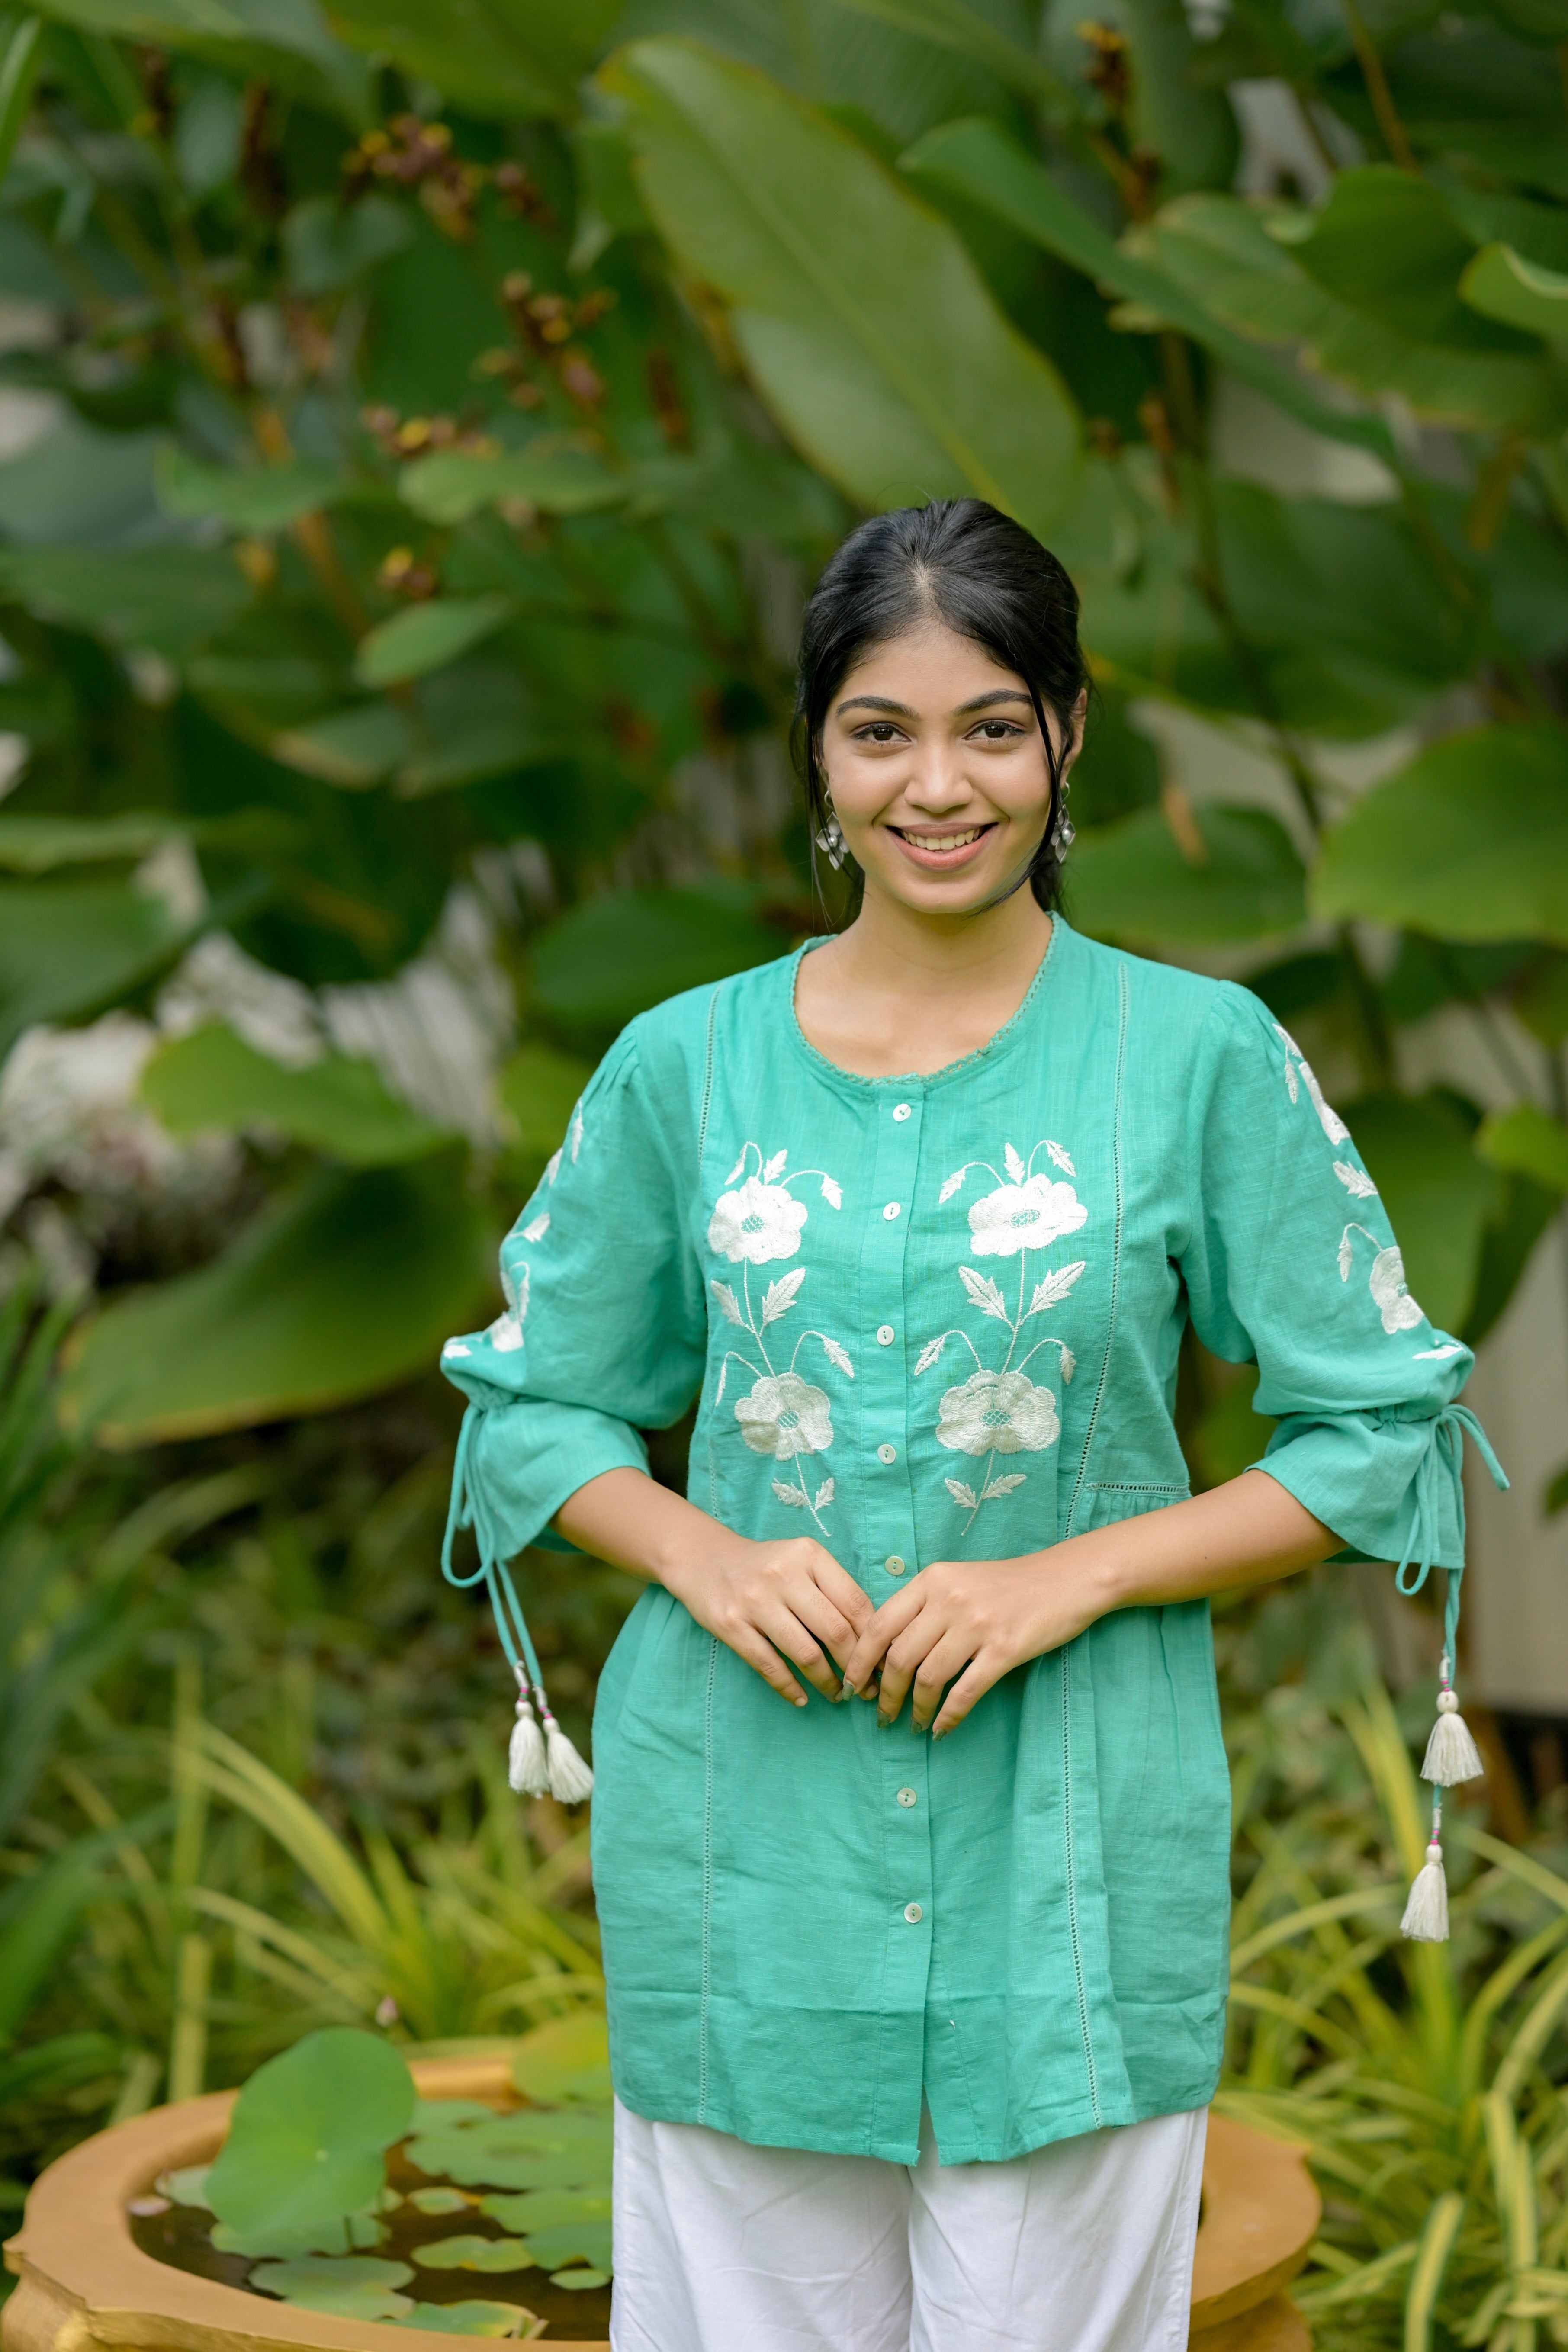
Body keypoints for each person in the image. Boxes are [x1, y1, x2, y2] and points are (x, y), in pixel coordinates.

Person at [439, 498, 1501, 2352]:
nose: (940, 785)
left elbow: (1382, 1433)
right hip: (744, 1858)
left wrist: (1066, 1579)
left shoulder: (1200, 1060)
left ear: (1069, 735)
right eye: (883, 730)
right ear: (819, 757)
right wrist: (702, 1547)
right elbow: (531, 1407)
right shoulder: (681, 1067)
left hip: (1074, 1861)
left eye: (992, 724)